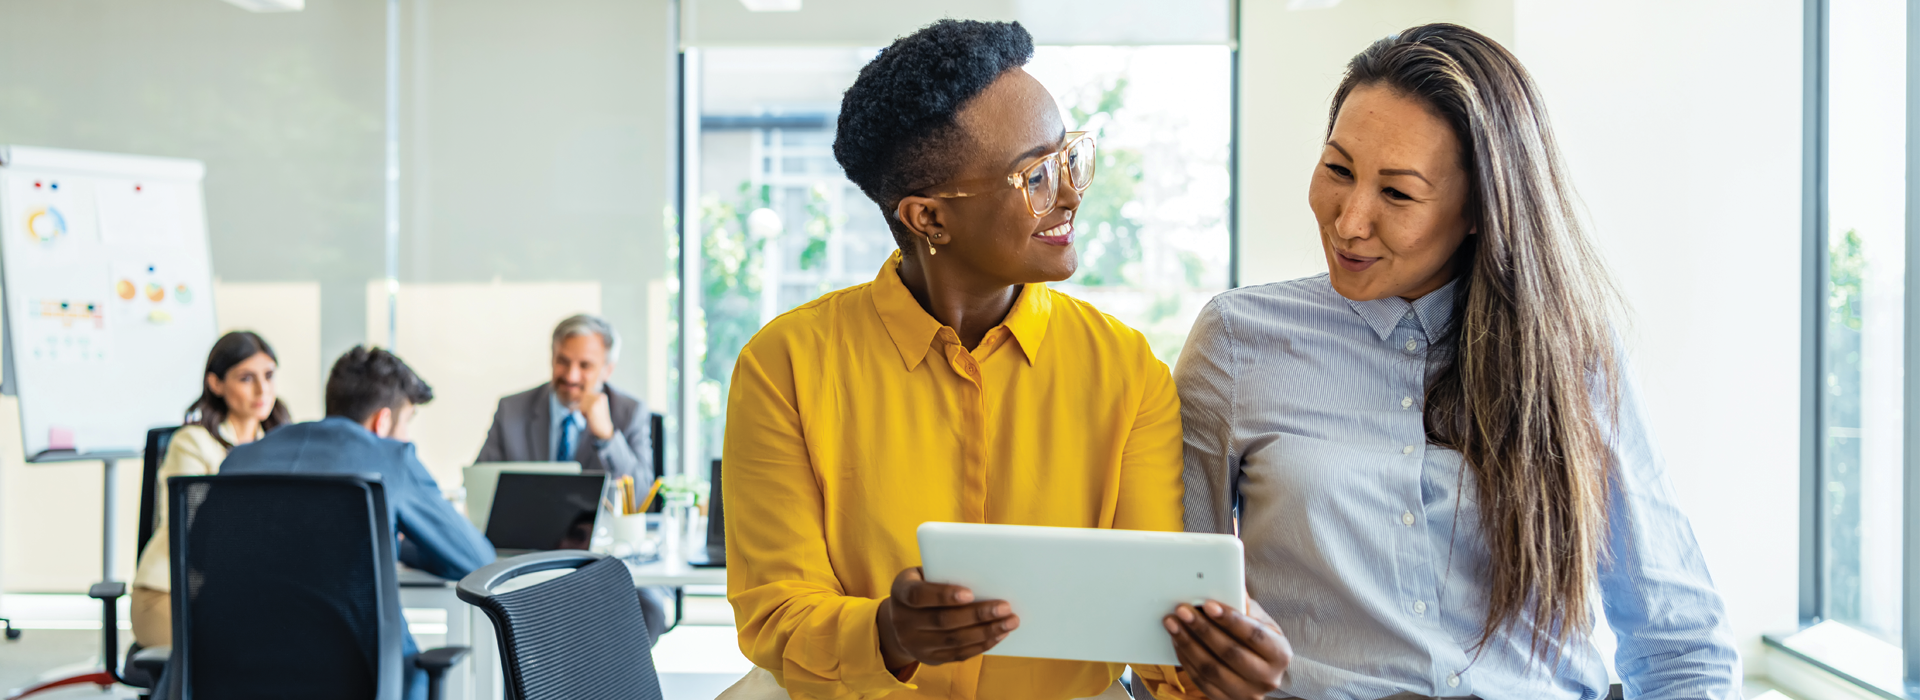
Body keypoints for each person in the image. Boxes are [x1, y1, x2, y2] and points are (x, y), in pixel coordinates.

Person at [1172, 24, 1742, 699]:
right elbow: (1170, 615)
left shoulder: (1570, 355)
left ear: (1479, 209)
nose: (1349, 220)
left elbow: (1678, 642)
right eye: (1338, 170)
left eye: (1398, 194)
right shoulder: (1239, 342)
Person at [722, 20, 1275, 700]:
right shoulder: (785, 365)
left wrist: (1216, 667)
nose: (1071, 193)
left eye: (1069, 156)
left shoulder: (1126, 372)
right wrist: (890, 634)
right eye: (1035, 175)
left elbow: (1154, 629)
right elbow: (775, 611)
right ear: (928, 220)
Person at [219, 345, 494, 700]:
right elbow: (477, 561)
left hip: (237, 676)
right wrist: (407, 545)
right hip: (365, 682)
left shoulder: (240, 460)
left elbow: (201, 562)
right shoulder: (390, 457)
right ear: (382, 421)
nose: (407, 437)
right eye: (407, 421)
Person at [130, 331, 292, 649]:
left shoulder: (280, 445)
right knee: (240, 655)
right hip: (169, 594)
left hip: (241, 593)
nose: (263, 389)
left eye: (269, 376)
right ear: (216, 384)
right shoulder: (193, 443)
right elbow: (192, 531)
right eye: (247, 378)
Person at [476, 314, 653, 481]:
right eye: (563, 361)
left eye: (585, 366)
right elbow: (477, 484)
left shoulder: (630, 413)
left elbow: (641, 499)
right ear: (552, 358)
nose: (571, 376)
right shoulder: (511, 410)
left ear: (608, 370)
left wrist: (607, 438)